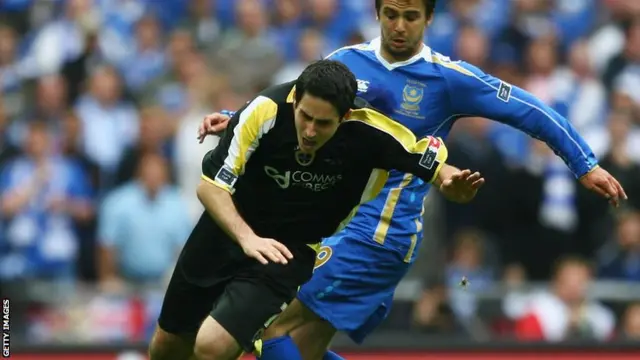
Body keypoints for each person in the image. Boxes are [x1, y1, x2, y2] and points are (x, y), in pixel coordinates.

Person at [197, 1, 628, 359]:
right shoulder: (345, 63)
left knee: (267, 329)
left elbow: (528, 109)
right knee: (296, 348)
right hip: (341, 224)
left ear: (429, 19)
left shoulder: (447, 79)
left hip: (380, 233)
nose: (399, 26)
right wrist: (237, 119)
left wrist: (583, 163)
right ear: (378, 13)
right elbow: (296, 105)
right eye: (390, 14)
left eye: (410, 16)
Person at [149, 59, 483, 360]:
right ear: (295, 100)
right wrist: (247, 238)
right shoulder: (266, 108)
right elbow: (210, 188)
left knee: (212, 347)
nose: (309, 131)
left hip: (288, 251)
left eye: (322, 124)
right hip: (223, 232)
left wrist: (451, 181)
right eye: (305, 117)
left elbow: (430, 162)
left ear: (346, 116)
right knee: (167, 347)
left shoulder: (370, 133)